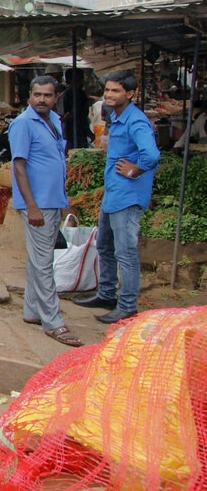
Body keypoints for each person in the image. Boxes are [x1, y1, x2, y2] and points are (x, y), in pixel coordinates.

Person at [74, 71, 161, 324]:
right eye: (108, 90)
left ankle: (127, 306)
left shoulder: (136, 121)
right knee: (104, 246)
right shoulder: (117, 116)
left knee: (126, 252)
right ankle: (107, 294)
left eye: (116, 91)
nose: (109, 95)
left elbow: (152, 155)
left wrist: (136, 170)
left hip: (128, 196)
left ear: (130, 94)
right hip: (113, 193)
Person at [8, 75, 82, 347]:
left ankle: (32, 312)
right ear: (29, 97)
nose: (42, 99)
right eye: (37, 95)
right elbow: (18, 166)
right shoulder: (24, 124)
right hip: (36, 204)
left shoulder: (55, 121)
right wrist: (31, 206)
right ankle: (54, 323)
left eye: (47, 95)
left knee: (38, 259)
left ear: (55, 98)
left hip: (52, 201)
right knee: (43, 264)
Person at [55, 68, 90, 150]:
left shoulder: (81, 94)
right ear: (69, 81)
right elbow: (62, 116)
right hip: (69, 134)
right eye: (78, 80)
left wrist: (88, 131)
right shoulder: (66, 95)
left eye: (82, 80)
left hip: (81, 132)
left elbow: (83, 116)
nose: (81, 83)